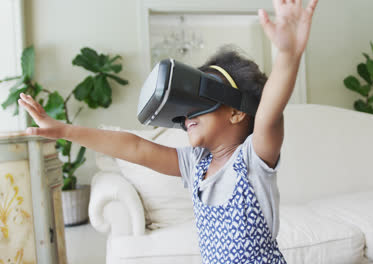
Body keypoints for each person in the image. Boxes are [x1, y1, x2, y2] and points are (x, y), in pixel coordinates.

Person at [18, 0, 319, 262]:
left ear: (237, 111)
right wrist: (64, 130)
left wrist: (287, 57)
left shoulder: (253, 160)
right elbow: (135, 148)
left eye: (199, 103)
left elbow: (268, 113)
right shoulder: (196, 164)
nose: (187, 114)